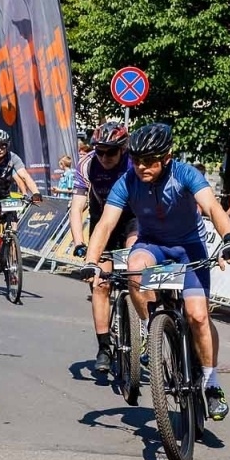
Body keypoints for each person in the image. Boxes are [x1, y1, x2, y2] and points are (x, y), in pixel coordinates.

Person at [81, 123, 230, 421]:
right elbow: (105, 223)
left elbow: (212, 207)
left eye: (149, 160)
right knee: (134, 267)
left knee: (198, 316)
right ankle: (150, 329)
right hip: (151, 244)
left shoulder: (185, 173)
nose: (142, 166)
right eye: (137, 160)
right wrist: (91, 261)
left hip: (189, 247)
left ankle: (211, 383)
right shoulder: (128, 181)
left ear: (166, 157)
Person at [68, 119, 137, 373]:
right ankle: (104, 347)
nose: (105, 157)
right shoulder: (87, 165)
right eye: (100, 151)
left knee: (136, 267)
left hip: (132, 220)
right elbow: (77, 207)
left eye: (111, 152)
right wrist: (79, 242)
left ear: (123, 149)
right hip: (102, 224)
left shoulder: (134, 163)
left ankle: (145, 331)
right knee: (100, 284)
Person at [0, 129, 42, 244]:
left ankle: (10, 249)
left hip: (4, 196)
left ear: (7, 146)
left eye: (2, 147)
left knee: (13, 227)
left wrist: (36, 193)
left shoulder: (13, 158)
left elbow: (24, 176)